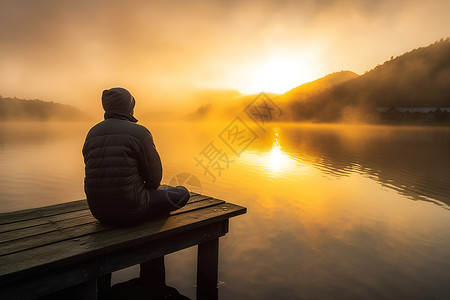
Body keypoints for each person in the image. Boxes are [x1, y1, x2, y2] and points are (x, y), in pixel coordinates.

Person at [82, 87, 190, 299]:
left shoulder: (92, 132)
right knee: (181, 193)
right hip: (131, 210)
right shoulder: (139, 132)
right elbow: (154, 180)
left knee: (153, 196)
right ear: (130, 106)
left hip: (98, 211)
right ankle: (153, 284)